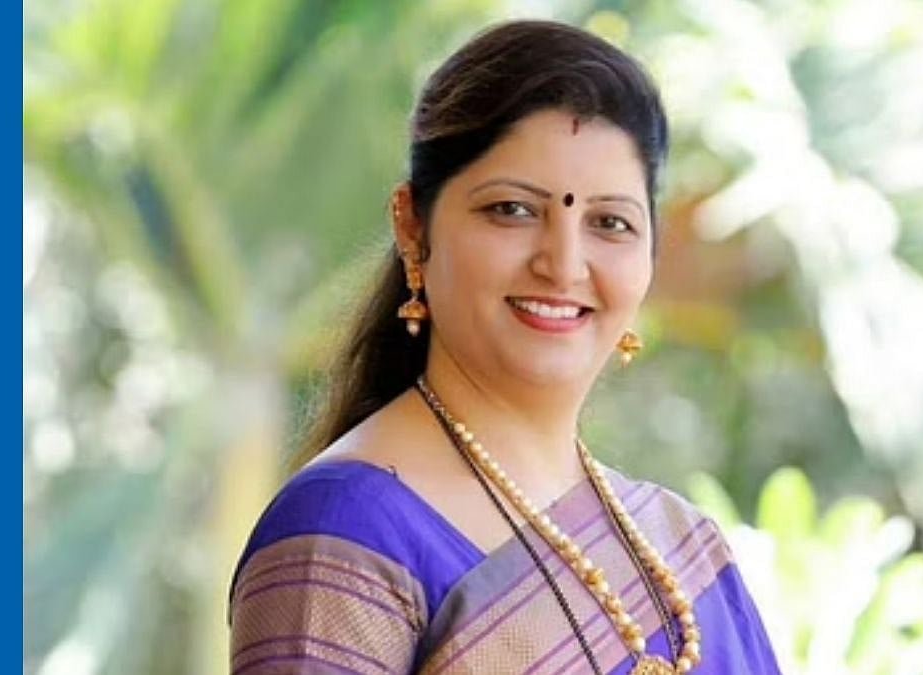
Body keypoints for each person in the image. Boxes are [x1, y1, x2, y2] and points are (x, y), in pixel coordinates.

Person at [227, 19, 782, 675]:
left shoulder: (685, 547)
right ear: (412, 227)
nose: (564, 263)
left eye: (610, 222)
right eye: (513, 210)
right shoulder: (344, 534)